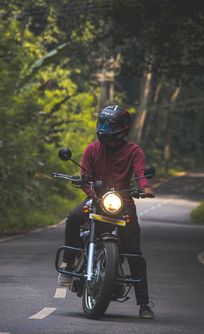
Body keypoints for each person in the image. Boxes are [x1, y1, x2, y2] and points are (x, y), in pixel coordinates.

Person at [58, 105, 155, 319]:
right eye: (101, 123)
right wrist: (89, 191)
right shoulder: (92, 149)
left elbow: (141, 174)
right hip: (96, 198)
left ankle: (144, 304)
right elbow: (85, 177)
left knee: (134, 252)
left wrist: (145, 186)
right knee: (74, 217)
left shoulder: (134, 151)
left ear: (122, 128)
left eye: (108, 125)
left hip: (123, 202)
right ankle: (69, 261)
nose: (103, 128)